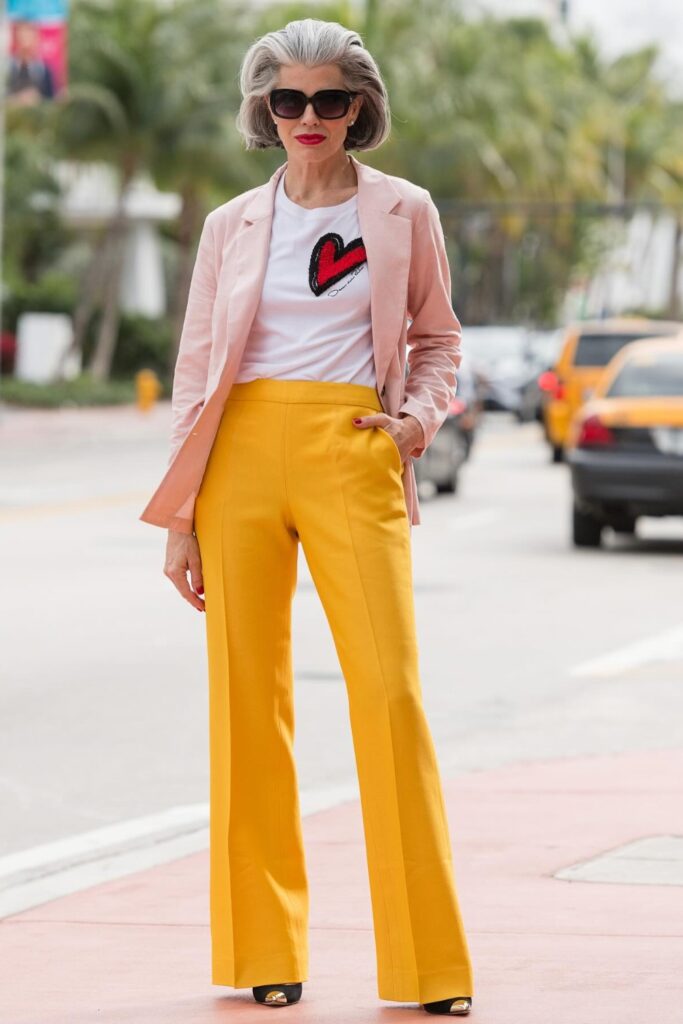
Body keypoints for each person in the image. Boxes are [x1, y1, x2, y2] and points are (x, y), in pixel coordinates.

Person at [139, 17, 474, 1017]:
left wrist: (412, 423)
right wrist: (181, 517)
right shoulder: (230, 224)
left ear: (360, 107)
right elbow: (198, 369)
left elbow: (437, 339)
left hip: (352, 449)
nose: (308, 118)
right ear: (264, 112)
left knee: (389, 696)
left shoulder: (404, 212)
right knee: (246, 705)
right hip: (236, 453)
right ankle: (261, 952)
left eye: (330, 100)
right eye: (287, 101)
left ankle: (427, 968)